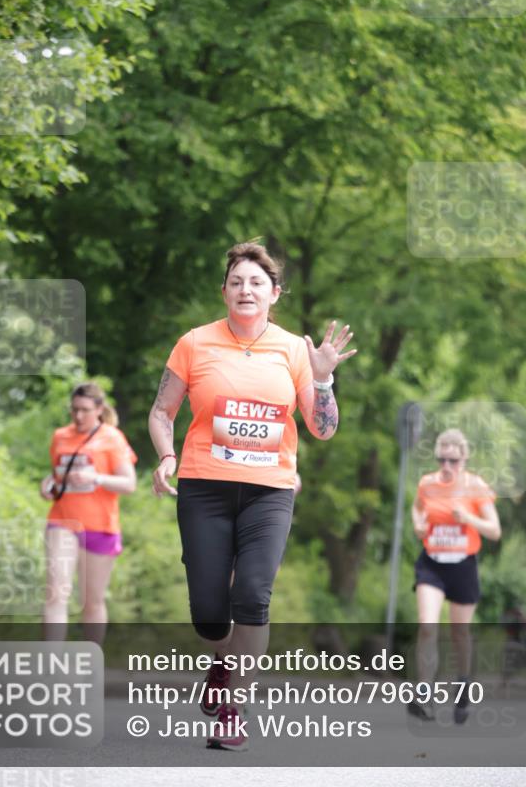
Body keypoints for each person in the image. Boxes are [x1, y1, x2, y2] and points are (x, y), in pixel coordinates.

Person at [150, 241, 356, 751]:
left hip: (270, 491)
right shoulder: (194, 343)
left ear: (274, 294)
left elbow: (322, 428)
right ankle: (221, 661)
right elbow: (162, 412)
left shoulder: (292, 350)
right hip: (204, 488)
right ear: (224, 292)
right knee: (209, 613)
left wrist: (324, 378)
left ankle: (234, 709)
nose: (246, 289)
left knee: (253, 597)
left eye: (257, 283)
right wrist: (166, 457)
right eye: (237, 282)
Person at [409, 428, 501, 724]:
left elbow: (495, 531)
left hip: (463, 566)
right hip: (432, 563)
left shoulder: (475, 486)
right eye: (442, 459)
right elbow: (417, 509)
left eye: (453, 461)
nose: (447, 466)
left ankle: (462, 686)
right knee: (427, 626)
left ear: (464, 459)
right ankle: (424, 694)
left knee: (459, 632)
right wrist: (419, 525)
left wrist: (469, 518)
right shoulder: (427, 484)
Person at [40, 382, 137, 644]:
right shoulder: (60, 436)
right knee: (55, 593)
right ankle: (52, 668)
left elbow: (129, 484)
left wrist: (96, 477)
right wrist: (48, 484)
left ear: (98, 409)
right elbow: (58, 474)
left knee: (91, 602)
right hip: (63, 521)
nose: (78, 416)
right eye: (74, 410)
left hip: (100, 527)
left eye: (84, 410)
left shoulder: (112, 437)